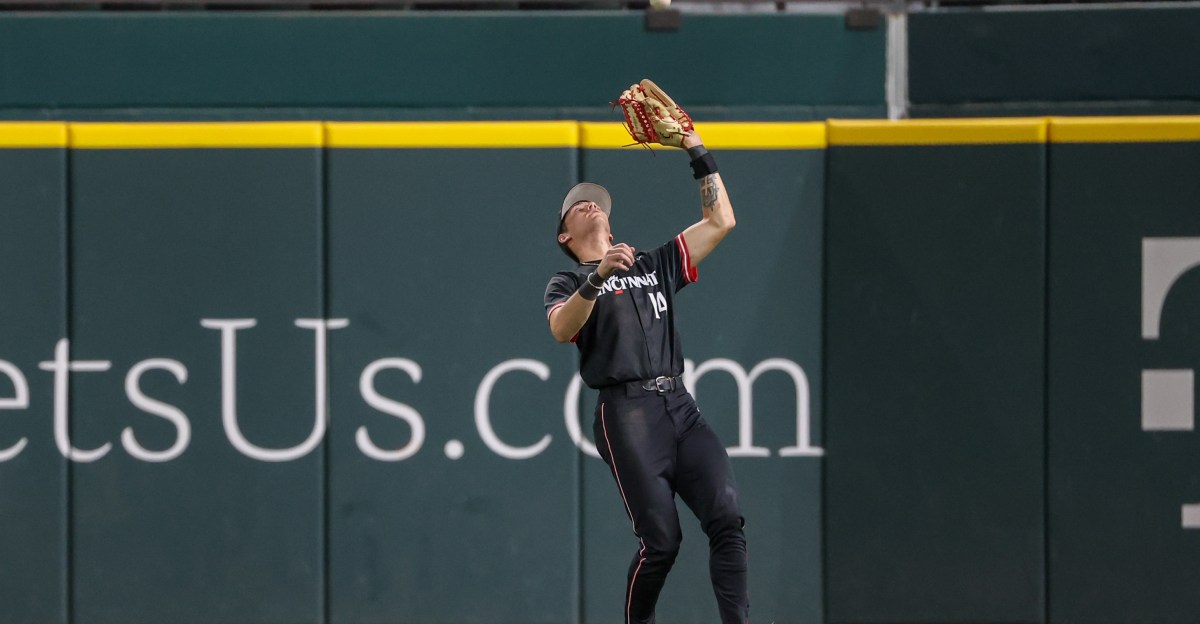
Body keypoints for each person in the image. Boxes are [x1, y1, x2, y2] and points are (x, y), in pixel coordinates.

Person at [543, 129, 749, 624]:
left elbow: (721, 220)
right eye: (578, 206)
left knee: (727, 518)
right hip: (627, 413)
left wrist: (696, 150)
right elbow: (559, 328)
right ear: (564, 237)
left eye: (597, 203)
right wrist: (596, 277)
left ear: (611, 224)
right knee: (661, 542)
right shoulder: (570, 281)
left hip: (679, 404)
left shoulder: (653, 265)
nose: (590, 205)